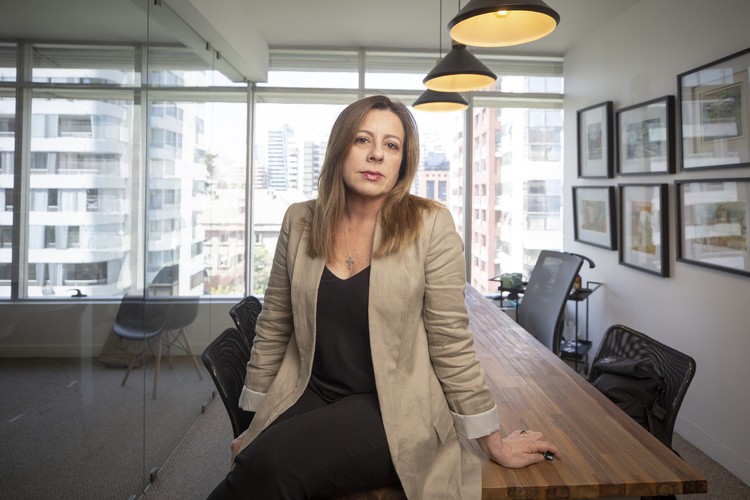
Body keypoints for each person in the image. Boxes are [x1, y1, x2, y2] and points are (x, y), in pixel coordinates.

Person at [208, 95, 559, 499]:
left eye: (391, 146)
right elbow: (274, 324)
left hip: (394, 407)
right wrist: (254, 423)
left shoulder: (430, 225)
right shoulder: (300, 220)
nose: (376, 154)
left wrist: (492, 441)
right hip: (311, 391)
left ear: (402, 163)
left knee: (271, 465)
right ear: (340, 148)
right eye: (363, 140)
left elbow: (451, 342)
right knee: (253, 460)